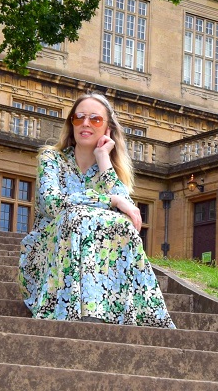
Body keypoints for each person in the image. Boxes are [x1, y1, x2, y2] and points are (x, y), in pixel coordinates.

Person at [18, 93, 176, 328]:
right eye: (79, 117)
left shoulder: (108, 169)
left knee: (120, 224)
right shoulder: (52, 159)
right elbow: (51, 203)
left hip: (101, 268)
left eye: (95, 119)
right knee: (75, 216)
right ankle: (77, 311)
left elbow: (129, 215)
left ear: (108, 129)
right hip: (47, 256)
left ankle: (127, 314)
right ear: (70, 123)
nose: (85, 124)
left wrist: (104, 160)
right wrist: (110, 200)